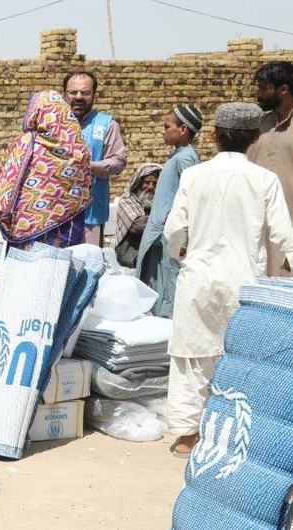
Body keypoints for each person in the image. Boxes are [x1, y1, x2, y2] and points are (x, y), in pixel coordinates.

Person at [163, 102, 293, 457]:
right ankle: (235, 435)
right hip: (246, 284)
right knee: (241, 359)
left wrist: (181, 253)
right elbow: (284, 235)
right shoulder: (264, 180)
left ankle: (188, 437)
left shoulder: (194, 175)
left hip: (199, 280)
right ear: (254, 137)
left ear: (214, 136)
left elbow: (175, 230)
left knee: (191, 357)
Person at [0, 90, 92, 248]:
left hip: (24, 224)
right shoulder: (79, 149)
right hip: (64, 226)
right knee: (58, 269)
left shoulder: (25, 142)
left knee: (24, 268)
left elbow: (4, 183)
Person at [137, 105, 202, 317]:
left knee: (168, 289)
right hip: (160, 235)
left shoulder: (185, 158)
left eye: (167, 126)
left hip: (169, 235)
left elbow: (191, 198)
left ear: (182, 129)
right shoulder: (178, 156)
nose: (162, 131)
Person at [64, 69, 128, 246]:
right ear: (65, 94)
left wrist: (89, 166)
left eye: (85, 92)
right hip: (56, 213)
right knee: (57, 267)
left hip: (90, 214)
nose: (78, 97)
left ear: (93, 95)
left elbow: (119, 161)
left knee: (88, 266)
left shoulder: (106, 124)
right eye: (73, 92)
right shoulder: (53, 124)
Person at [248, 61, 293, 218]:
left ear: (283, 90)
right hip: (254, 219)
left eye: (263, 88)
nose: (258, 94)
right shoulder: (256, 125)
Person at [113, 163, 161, 267]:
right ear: (138, 182)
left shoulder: (159, 201)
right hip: (130, 258)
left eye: (155, 183)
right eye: (147, 182)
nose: (150, 187)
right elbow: (138, 224)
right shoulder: (127, 199)